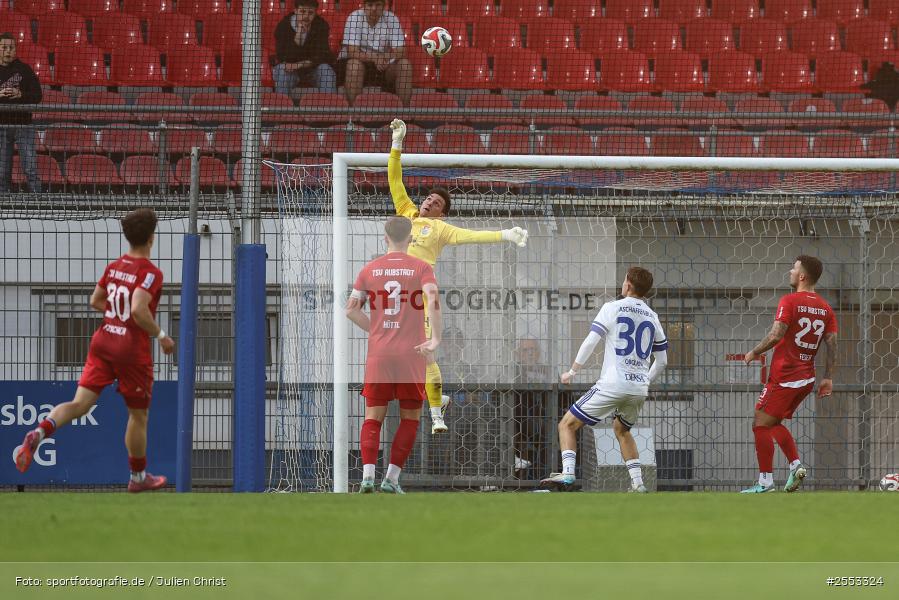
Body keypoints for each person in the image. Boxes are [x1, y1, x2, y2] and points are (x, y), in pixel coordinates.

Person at [13, 208, 175, 493]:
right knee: (138, 415)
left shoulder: (114, 267)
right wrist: (162, 336)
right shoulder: (150, 273)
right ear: (151, 238)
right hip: (129, 349)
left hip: (103, 340)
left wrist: (116, 316)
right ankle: (138, 477)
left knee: (79, 405)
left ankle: (39, 431)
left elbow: (95, 300)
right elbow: (138, 309)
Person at [388, 118, 529, 434]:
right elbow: (395, 180)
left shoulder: (440, 229)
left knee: (425, 353)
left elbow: (472, 236)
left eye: (437, 203)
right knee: (399, 357)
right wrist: (397, 144)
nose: (430, 202)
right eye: (429, 198)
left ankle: (436, 414)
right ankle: (439, 399)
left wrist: (505, 235)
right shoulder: (406, 213)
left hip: (421, 296)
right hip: (398, 297)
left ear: (442, 213)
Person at [540, 268, 668, 493]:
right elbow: (663, 361)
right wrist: (643, 381)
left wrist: (572, 371)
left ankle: (568, 473)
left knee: (567, 424)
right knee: (622, 429)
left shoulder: (612, 308)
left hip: (612, 383)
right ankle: (638, 484)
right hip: (638, 388)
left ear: (628, 285)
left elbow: (591, 341)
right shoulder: (652, 316)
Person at [346, 216, 442, 494]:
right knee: (410, 417)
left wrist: (376, 329)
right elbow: (433, 298)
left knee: (373, 417)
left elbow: (351, 310)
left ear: (385, 238)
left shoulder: (369, 269)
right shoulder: (421, 267)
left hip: (380, 354)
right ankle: (391, 479)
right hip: (412, 353)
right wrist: (435, 339)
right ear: (410, 238)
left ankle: (367, 477)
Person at [741, 256, 838, 493]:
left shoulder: (790, 301)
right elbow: (832, 344)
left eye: (794, 268)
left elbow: (776, 335)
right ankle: (795, 466)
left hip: (785, 376)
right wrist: (828, 377)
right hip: (807, 378)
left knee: (759, 423)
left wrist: (754, 352)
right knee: (773, 422)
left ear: (802, 276)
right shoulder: (826, 308)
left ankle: (765, 482)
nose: (790, 272)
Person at [338, 0, 412, 106]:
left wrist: (384, 57)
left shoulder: (392, 19)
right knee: (354, 65)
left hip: (383, 65)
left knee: (405, 65)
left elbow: (402, 51)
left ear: (384, 6)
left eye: (378, 5)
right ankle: (353, 112)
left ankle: (405, 113)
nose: (374, 9)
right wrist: (374, 58)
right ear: (364, 6)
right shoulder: (354, 17)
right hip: (359, 61)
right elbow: (352, 52)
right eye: (370, 5)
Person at [0, 33, 42, 193]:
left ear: (15, 49)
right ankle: (3, 202)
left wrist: (21, 94)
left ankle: (38, 201)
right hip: (1, 126)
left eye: (11, 47)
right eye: (4, 47)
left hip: (23, 125)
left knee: (30, 168)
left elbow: (37, 96)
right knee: (2, 171)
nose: (8, 51)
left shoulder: (25, 70)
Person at [273, 0, 337, 96]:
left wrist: (299, 64)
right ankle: (282, 105)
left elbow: (322, 56)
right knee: (282, 70)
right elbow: (283, 56)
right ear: (295, 11)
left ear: (315, 13)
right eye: (302, 11)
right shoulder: (283, 26)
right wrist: (298, 35)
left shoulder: (321, 25)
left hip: (312, 69)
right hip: (290, 70)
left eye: (310, 13)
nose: (306, 16)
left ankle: (329, 105)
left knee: (326, 70)